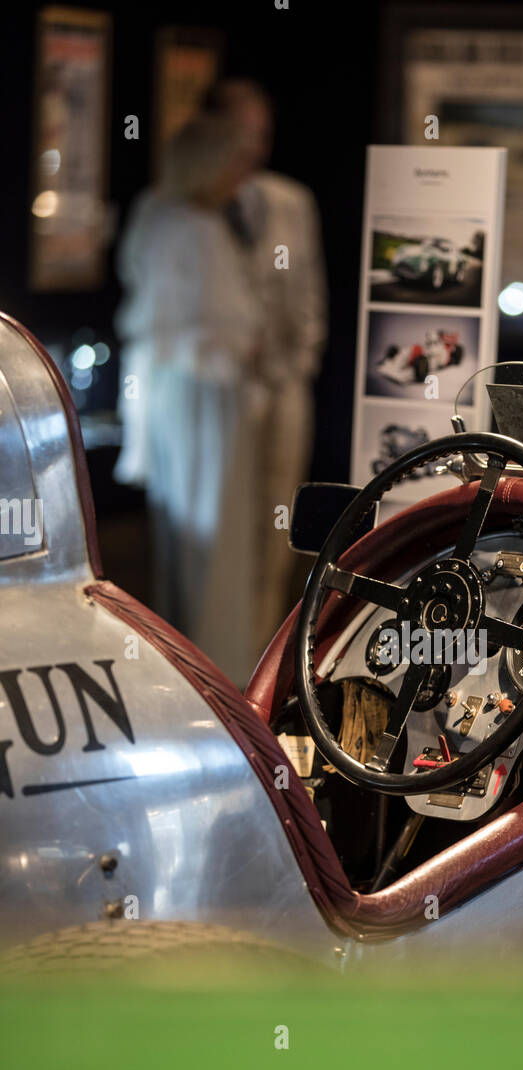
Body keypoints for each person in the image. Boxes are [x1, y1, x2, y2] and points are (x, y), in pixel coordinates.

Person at [114, 114, 264, 685]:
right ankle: (218, 672)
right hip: (204, 395)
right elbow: (215, 325)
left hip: (176, 393)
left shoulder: (159, 216)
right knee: (213, 540)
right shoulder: (194, 227)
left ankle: (188, 665)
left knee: (185, 537)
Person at [202, 79, 328, 653]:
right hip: (224, 394)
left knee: (279, 522)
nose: (252, 146)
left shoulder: (290, 201)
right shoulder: (195, 203)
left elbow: (309, 295)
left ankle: (257, 662)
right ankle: (214, 656)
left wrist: (297, 364)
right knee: (225, 531)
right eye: (240, 132)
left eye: (261, 134)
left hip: (284, 388)